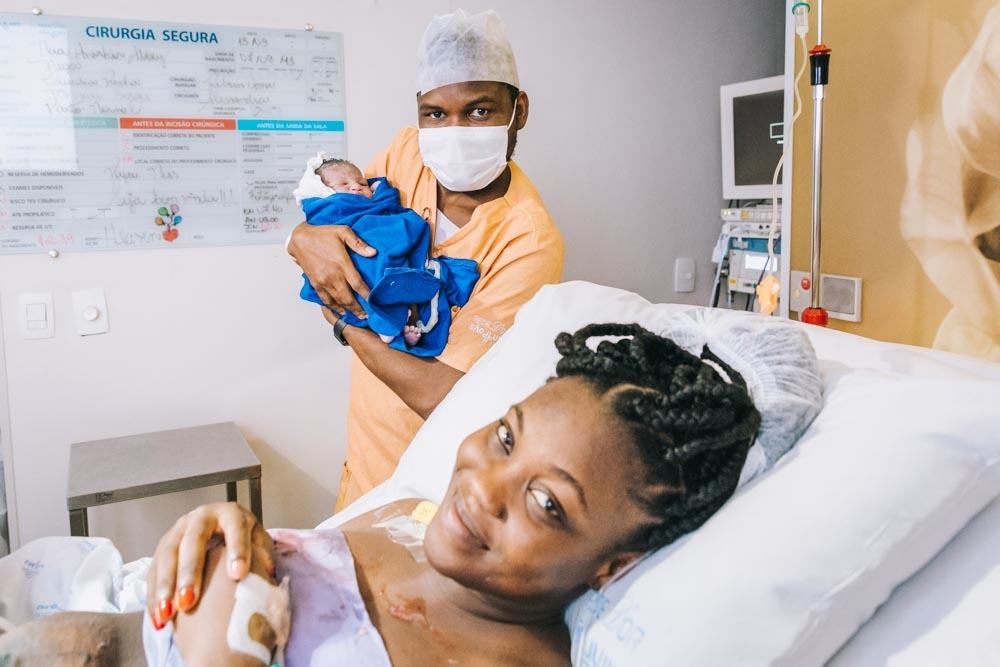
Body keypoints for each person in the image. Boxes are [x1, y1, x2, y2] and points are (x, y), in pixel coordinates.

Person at [0, 323, 763, 666]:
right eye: (506, 437)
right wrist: (224, 529)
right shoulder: (408, 516)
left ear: (613, 565)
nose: (483, 486)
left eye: (547, 504)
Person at [287, 9, 565, 508]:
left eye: (478, 111)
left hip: (441, 496)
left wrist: (344, 323)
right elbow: (338, 218)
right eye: (435, 113)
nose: (452, 130)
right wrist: (302, 235)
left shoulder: (529, 241)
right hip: (365, 468)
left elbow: (445, 396)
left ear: (518, 111)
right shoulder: (406, 154)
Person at [294, 155, 480, 353]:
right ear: (324, 192)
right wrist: (299, 235)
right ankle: (387, 319)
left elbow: (389, 216)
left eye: (362, 183)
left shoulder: (382, 199)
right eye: (343, 185)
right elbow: (316, 230)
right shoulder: (330, 210)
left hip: (378, 250)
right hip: (359, 258)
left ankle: (394, 322)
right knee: (370, 267)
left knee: (388, 262)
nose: (356, 187)